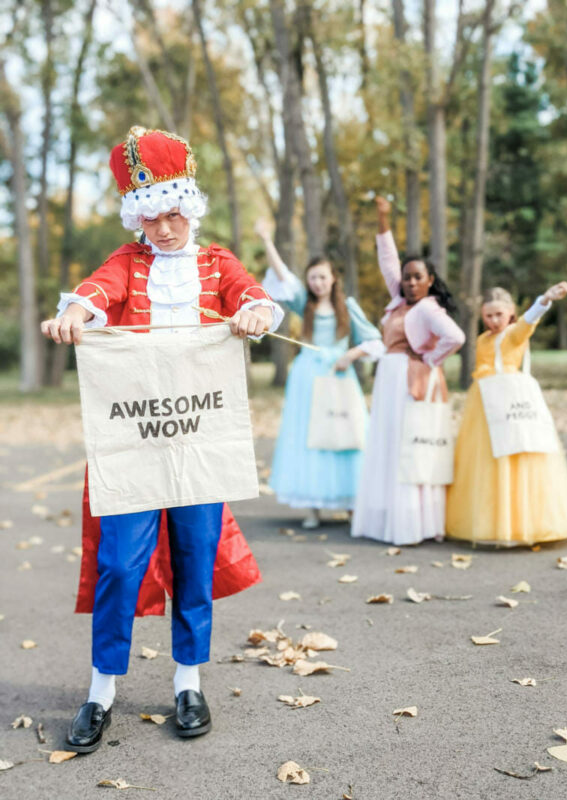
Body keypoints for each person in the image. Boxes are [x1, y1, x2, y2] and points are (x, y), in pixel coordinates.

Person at [41, 126, 283, 752]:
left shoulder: (217, 261)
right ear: (137, 218)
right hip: (138, 441)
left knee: (194, 557)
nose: (164, 229)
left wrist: (257, 311)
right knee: (119, 564)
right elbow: (98, 293)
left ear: (189, 205)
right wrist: (74, 313)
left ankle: (188, 680)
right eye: (150, 218)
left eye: (172, 213)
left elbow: (251, 295)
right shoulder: (128, 261)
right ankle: (101, 690)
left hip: (198, 439)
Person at [351, 197, 465, 545]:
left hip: (410, 379)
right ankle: (386, 518)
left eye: (418, 277)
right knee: (387, 443)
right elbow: (388, 260)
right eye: (407, 277)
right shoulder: (399, 302)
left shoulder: (429, 309)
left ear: (430, 280)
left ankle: (415, 522)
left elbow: (455, 337)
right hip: (389, 377)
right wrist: (383, 218)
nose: (410, 282)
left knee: (410, 446)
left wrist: (429, 360)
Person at [255, 218, 382, 529]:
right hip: (308, 376)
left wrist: (350, 355)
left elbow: (373, 340)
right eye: (313, 278)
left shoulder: (347, 306)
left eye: (323, 277)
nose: (318, 283)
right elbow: (283, 275)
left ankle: (351, 503)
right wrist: (266, 239)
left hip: (338, 374)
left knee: (345, 432)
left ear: (333, 278)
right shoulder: (304, 304)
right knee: (309, 436)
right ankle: (312, 506)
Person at [446, 283, 567, 545]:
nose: (493, 321)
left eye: (499, 314)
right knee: (487, 462)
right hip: (484, 405)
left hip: (507, 400)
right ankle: (490, 520)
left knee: (514, 455)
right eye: (488, 315)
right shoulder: (482, 339)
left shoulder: (512, 334)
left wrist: (544, 299)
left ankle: (522, 522)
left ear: (510, 313)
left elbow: (528, 322)